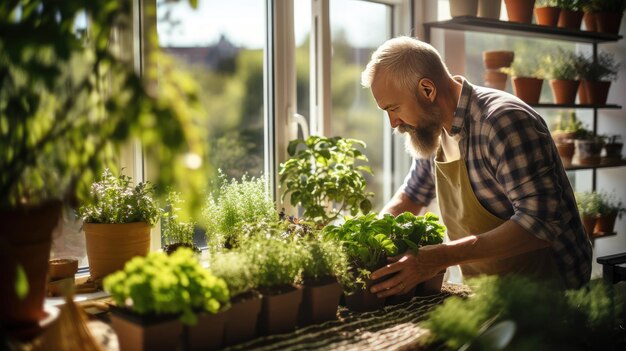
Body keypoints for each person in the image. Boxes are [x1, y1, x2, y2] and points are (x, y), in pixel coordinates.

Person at [360, 36, 592, 295]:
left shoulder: (503, 123)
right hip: (486, 293)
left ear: (427, 90)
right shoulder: (432, 128)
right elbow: (412, 195)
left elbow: (540, 222)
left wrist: (437, 258)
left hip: (550, 293)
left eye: (394, 108)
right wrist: (368, 241)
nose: (393, 122)